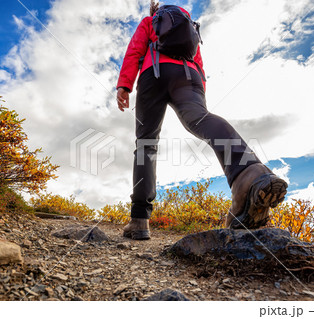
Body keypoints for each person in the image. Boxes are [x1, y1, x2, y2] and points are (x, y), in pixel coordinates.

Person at [116, 1, 287, 240]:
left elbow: (135, 50)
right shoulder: (191, 29)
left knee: (146, 143)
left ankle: (139, 220)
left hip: (152, 74)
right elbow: (199, 64)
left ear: (155, 14)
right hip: (188, 75)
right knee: (200, 119)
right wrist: (198, 94)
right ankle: (249, 172)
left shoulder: (149, 22)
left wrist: (124, 85)